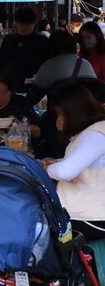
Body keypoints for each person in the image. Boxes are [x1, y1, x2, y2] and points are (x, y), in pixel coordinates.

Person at [42, 84, 105, 241]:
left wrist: (43, 169)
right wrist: (55, 162)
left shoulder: (95, 136)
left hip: (92, 217)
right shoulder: (92, 132)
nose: (58, 120)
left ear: (72, 113)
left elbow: (65, 172)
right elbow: (86, 161)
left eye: (59, 114)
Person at [0, 6, 49, 94]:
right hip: (10, 87)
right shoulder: (9, 39)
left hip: (34, 88)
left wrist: (40, 76)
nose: (24, 27)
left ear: (34, 23)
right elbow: (0, 62)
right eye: (21, 23)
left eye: (27, 24)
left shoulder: (42, 40)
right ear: (16, 23)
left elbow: (47, 63)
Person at [31, 29, 96, 98]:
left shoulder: (49, 65)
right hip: (87, 107)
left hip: (62, 107)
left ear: (50, 47)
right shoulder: (85, 63)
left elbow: (35, 95)